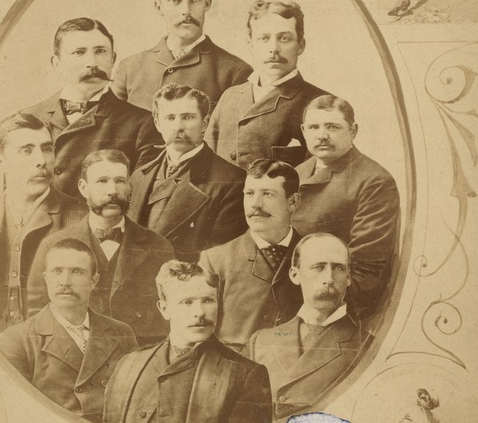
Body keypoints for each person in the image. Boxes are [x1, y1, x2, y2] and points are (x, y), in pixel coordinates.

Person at [27, 150, 174, 347]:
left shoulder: (158, 247)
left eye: (120, 181)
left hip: (136, 362)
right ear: (83, 188)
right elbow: (37, 315)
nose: (112, 190)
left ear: (129, 188)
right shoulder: (53, 246)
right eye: (102, 181)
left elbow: (171, 317)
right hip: (74, 362)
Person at [0, 113, 87, 337]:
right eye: (27, 150)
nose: (41, 160)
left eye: (47, 149)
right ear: (1, 162)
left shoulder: (79, 217)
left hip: (50, 348)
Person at [102, 260, 272, 423]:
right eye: (187, 302)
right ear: (164, 309)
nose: (200, 312)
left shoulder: (245, 374)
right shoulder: (129, 365)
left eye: (208, 300)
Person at [0, 239, 139, 423]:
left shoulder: (121, 333)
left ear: (94, 281)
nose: (65, 281)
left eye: (76, 272)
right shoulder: (16, 340)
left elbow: (138, 399)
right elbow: (16, 410)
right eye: (57, 271)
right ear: (46, 278)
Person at [21, 17, 163, 197]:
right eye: (79, 52)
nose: (92, 62)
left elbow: (138, 204)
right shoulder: (29, 118)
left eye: (100, 51)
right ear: (57, 63)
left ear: (113, 59)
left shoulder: (144, 125)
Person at [291, 95, 400, 319]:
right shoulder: (297, 173)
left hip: (328, 309)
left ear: (353, 131)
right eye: (314, 127)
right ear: (303, 131)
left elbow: (365, 271)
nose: (321, 135)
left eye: (332, 127)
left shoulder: (373, 181)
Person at [247, 233, 373, 420]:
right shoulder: (260, 342)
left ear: (348, 277)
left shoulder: (366, 344)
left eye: (338, 268)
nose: (329, 277)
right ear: (295, 275)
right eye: (318, 267)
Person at [128, 83, 247, 261]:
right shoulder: (139, 176)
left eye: (188, 117)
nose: (178, 127)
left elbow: (218, 258)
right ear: (158, 123)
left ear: (204, 123)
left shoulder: (231, 182)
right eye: (170, 118)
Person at [206, 0, 329, 169]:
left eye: (284, 38)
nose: (273, 48)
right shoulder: (230, 97)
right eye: (264, 38)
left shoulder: (321, 104)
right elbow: (205, 165)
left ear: (300, 45)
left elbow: (320, 182)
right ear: (251, 44)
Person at [199, 158, 304, 350]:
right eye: (249, 193)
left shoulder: (315, 254)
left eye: (268, 194)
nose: (255, 204)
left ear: (293, 201)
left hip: (299, 370)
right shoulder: (214, 261)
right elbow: (201, 333)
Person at [111, 0, 252, 112]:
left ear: (207, 3)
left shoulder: (236, 71)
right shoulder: (129, 68)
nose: (186, 11)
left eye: (194, 0)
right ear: (158, 6)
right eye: (175, 1)